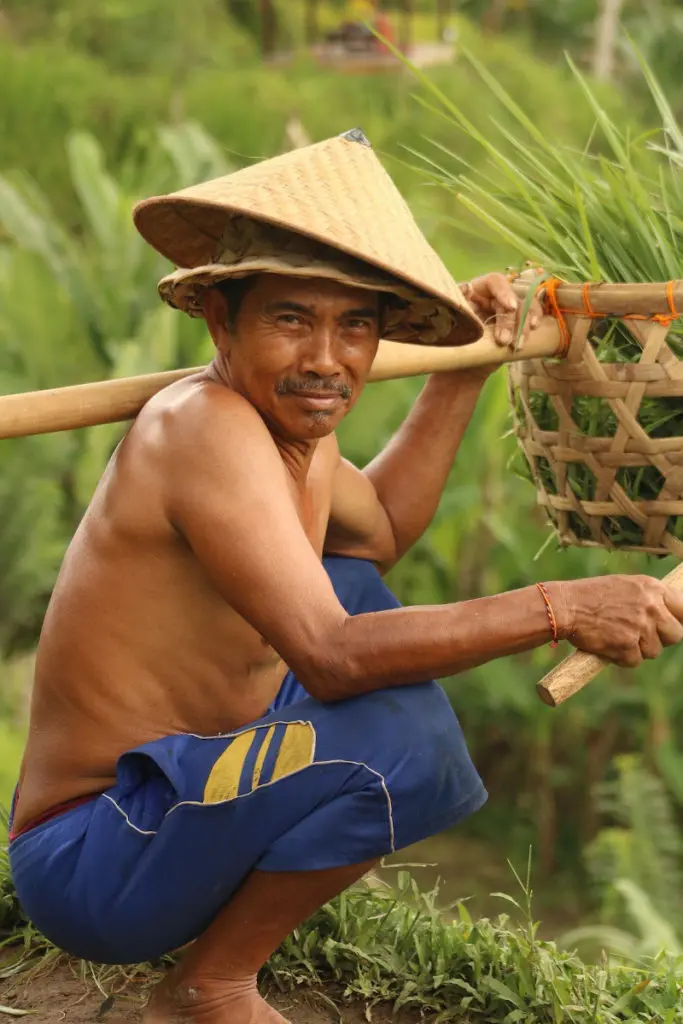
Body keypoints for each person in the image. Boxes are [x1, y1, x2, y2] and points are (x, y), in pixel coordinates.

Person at [9, 130, 683, 1024]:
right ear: (221, 319)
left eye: (354, 324)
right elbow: (330, 657)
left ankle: (214, 952)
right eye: (291, 319)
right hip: (96, 854)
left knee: (351, 586)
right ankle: (209, 985)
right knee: (402, 734)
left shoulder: (295, 436)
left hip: (183, 799)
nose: (327, 358)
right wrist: (562, 606)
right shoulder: (202, 427)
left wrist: (467, 367)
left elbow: (383, 534)